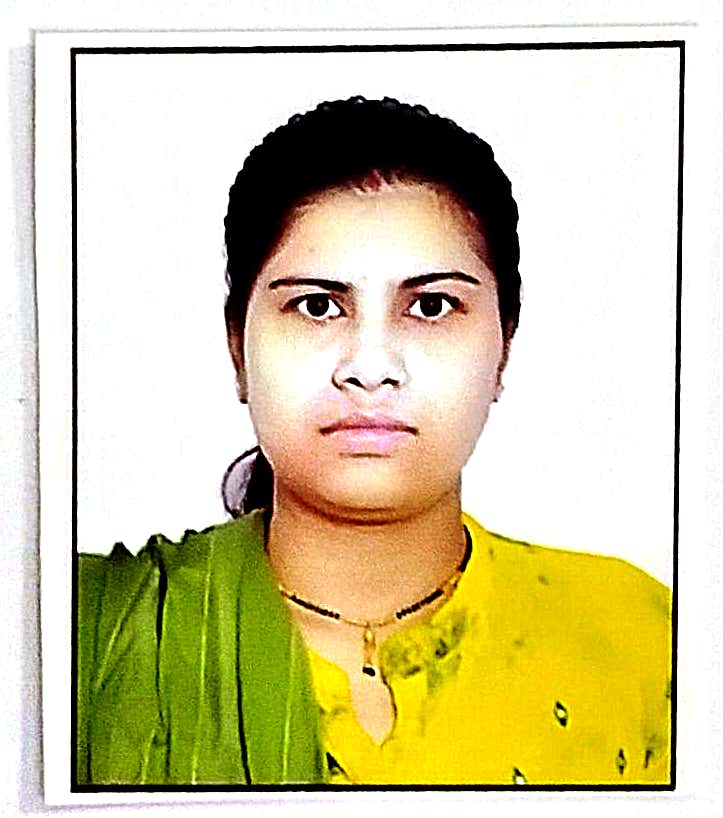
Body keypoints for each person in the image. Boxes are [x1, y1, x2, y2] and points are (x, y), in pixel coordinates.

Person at [76, 96, 672, 787]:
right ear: (238, 348)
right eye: (317, 306)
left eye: (431, 306)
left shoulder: (637, 635)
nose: (369, 367)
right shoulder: (76, 636)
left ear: (503, 349)